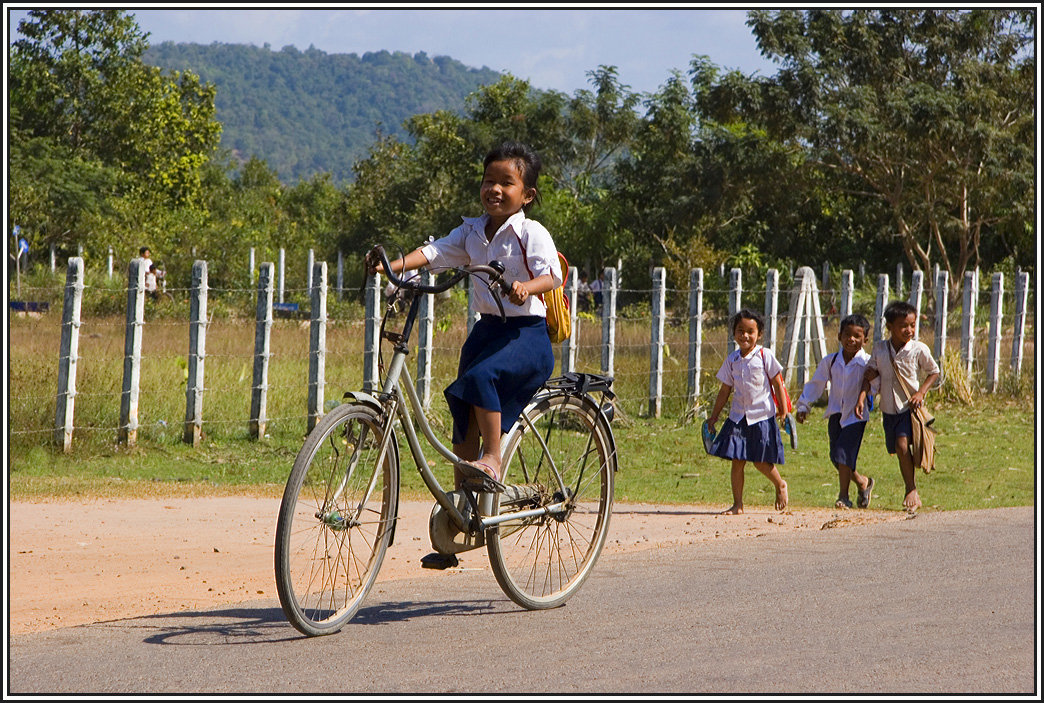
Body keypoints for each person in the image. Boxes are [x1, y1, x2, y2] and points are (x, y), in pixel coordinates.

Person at [369, 141, 562, 490]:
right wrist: (391, 267)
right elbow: (435, 252)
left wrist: (526, 287)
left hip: (526, 335)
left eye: (506, 182)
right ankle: (464, 496)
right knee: (461, 400)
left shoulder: (531, 232)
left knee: (482, 377)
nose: (495, 190)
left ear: (528, 195)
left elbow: (553, 275)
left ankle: (492, 459)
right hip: (486, 332)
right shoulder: (471, 231)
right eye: (489, 180)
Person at [857, 301, 940, 513]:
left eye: (912, 325)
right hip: (888, 408)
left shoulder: (918, 349)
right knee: (896, 448)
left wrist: (921, 393)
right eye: (904, 326)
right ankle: (911, 486)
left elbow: (934, 372)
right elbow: (870, 373)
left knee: (903, 446)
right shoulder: (879, 349)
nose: (909, 330)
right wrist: (862, 397)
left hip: (908, 408)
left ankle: (911, 490)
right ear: (890, 327)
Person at [706, 308, 789, 514]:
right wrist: (714, 417)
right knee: (737, 460)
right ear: (734, 333)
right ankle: (738, 504)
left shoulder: (764, 355)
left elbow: (778, 383)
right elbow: (725, 390)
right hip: (737, 417)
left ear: (758, 334)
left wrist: (783, 410)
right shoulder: (732, 360)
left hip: (762, 416)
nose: (745, 335)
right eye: (740, 331)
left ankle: (780, 484)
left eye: (750, 331)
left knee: (761, 462)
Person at [795, 314, 879, 509]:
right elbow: (816, 384)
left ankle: (844, 496)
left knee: (843, 454)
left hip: (856, 416)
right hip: (835, 413)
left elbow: (876, 386)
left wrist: (872, 379)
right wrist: (804, 406)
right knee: (836, 457)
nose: (851, 339)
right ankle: (862, 482)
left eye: (857, 336)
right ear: (839, 336)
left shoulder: (867, 362)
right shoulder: (831, 361)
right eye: (847, 335)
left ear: (865, 340)